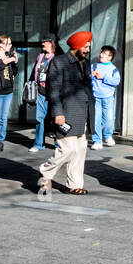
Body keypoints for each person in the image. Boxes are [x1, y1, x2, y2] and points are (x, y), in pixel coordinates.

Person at [37, 30, 94, 200]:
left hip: (83, 112)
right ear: (76, 46)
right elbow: (53, 90)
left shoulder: (85, 63)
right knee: (67, 150)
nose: (88, 49)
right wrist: (57, 112)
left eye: (88, 46)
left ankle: (74, 185)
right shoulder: (59, 63)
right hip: (66, 113)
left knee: (80, 151)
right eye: (85, 46)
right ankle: (45, 174)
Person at [29, 36, 59, 152]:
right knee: (39, 118)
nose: (42, 44)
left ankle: (58, 144)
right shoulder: (40, 56)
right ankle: (38, 144)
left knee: (56, 118)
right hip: (41, 91)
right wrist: (31, 84)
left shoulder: (58, 56)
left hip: (54, 92)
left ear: (52, 43)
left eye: (45, 42)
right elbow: (34, 72)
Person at [90, 45, 121, 149]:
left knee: (109, 119)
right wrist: (91, 76)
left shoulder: (113, 69)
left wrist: (103, 77)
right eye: (101, 52)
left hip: (107, 97)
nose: (101, 55)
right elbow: (87, 78)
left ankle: (107, 135)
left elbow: (116, 81)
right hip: (95, 97)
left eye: (104, 53)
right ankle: (97, 141)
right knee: (96, 119)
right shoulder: (93, 66)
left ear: (110, 57)